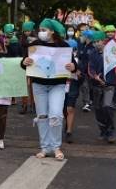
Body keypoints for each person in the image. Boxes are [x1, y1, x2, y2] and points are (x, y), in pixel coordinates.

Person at [21, 18, 76, 160]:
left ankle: (56, 147)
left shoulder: (63, 46)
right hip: (38, 85)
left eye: (44, 30)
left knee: (56, 115)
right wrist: (25, 61)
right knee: (42, 116)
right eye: (40, 30)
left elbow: (74, 64)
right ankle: (45, 147)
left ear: (52, 31)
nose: (41, 32)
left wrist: (73, 67)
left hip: (57, 85)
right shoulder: (35, 45)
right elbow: (24, 62)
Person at [88, 31, 116, 143]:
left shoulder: (111, 51)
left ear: (104, 40)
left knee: (107, 107)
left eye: (98, 41)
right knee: (98, 110)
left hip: (109, 84)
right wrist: (95, 76)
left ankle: (111, 131)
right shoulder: (92, 53)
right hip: (96, 85)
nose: (96, 44)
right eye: (94, 42)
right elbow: (90, 68)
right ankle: (103, 130)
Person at [18, 21, 37, 114]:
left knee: (33, 86)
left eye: (28, 31)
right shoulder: (22, 40)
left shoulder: (36, 40)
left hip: (34, 64)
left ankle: (33, 104)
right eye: (25, 31)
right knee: (24, 85)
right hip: (24, 64)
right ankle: (24, 104)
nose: (26, 33)